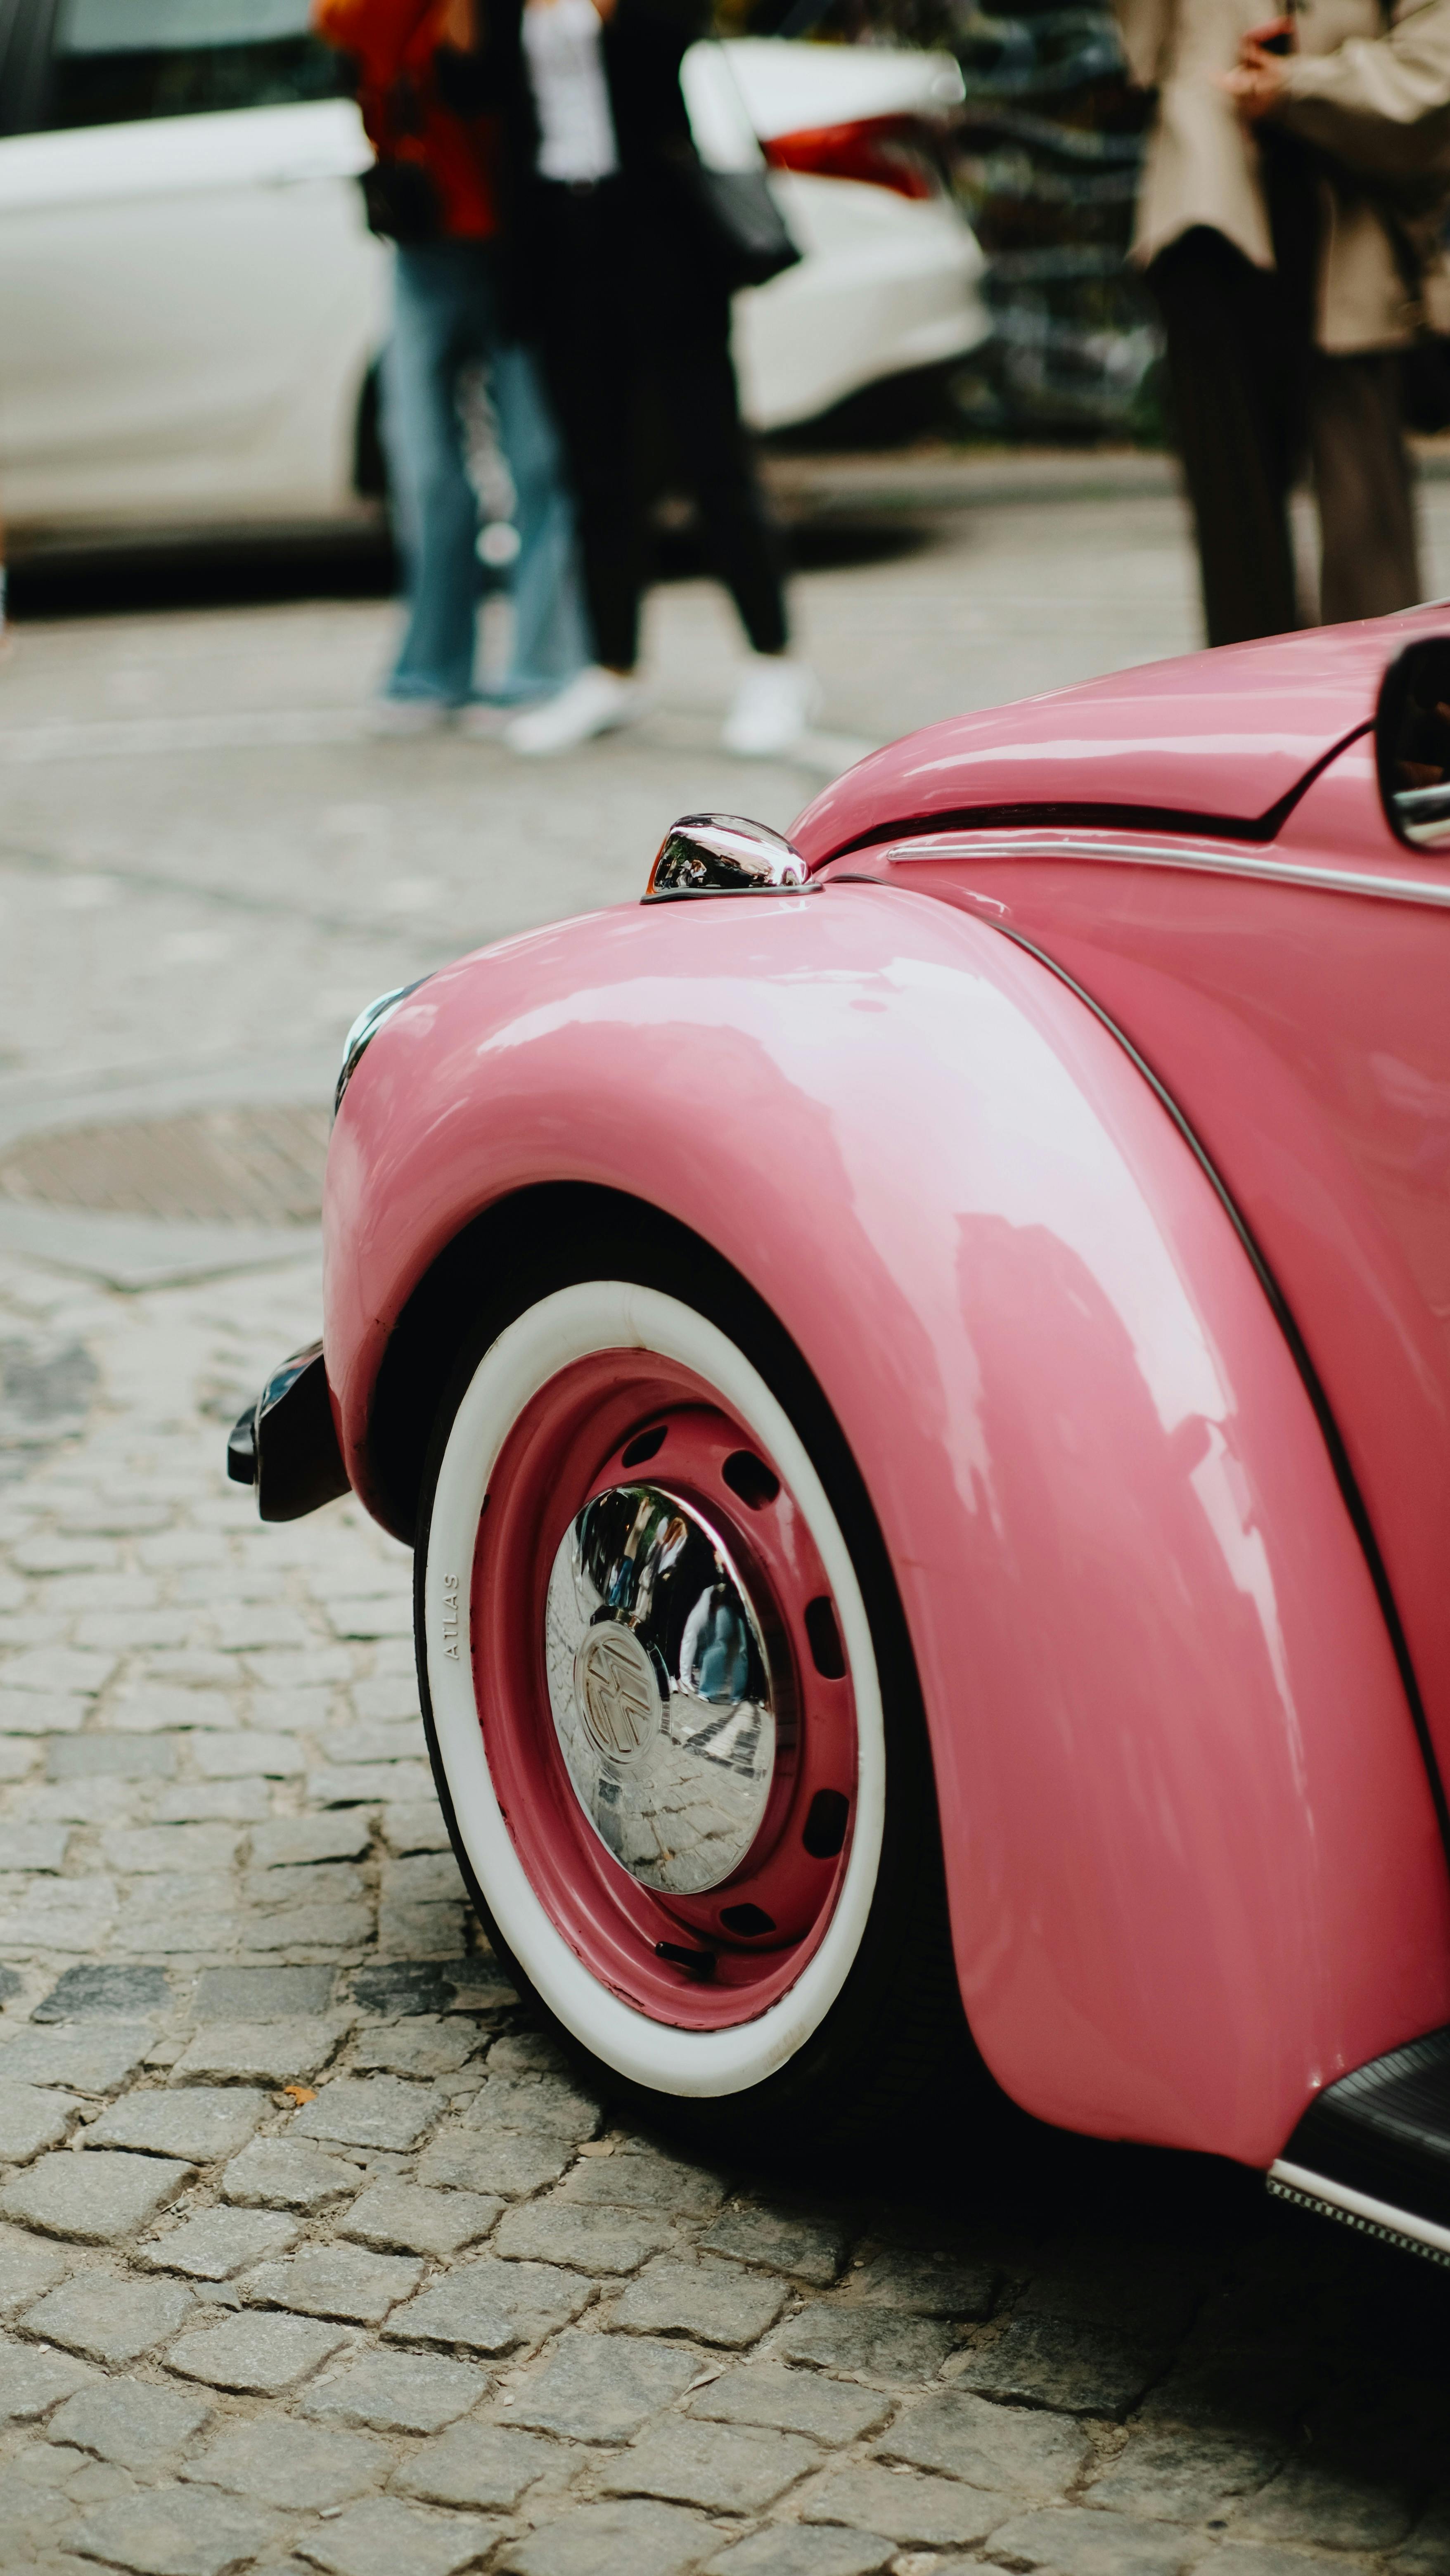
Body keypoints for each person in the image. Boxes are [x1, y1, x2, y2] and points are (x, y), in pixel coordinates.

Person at [498, 0, 818, 756]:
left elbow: (675, 37)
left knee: (714, 461)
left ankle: (775, 662)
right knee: (595, 475)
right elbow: (473, 90)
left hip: (661, 239)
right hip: (561, 242)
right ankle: (613, 670)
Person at [1114, 0, 1450, 643]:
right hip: (1209, 214)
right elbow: (1144, 52)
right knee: (1238, 549)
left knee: (1364, 537)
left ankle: (1372, 697)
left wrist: (1301, 87)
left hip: (1347, 220)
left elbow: (1435, 70)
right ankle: (1252, 705)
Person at [314, 0, 588, 727]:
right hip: (425, 243)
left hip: (516, 244)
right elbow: (342, 24)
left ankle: (542, 670)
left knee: (538, 463)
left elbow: (488, 64)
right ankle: (432, 671)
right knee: (425, 466)